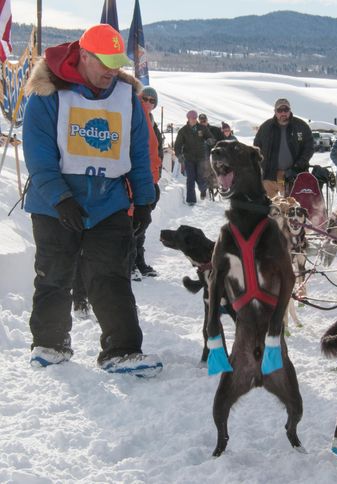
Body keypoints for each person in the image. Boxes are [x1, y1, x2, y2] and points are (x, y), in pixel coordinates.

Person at [22, 24, 162, 376]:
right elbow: (38, 154)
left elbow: (138, 154)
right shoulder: (47, 93)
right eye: (104, 62)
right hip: (54, 204)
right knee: (55, 274)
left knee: (111, 276)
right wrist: (60, 197)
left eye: (117, 63)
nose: (112, 71)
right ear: (84, 55)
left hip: (107, 202)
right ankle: (50, 344)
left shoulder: (125, 96)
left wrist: (143, 200)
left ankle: (123, 350)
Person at [131, 85, 163, 279]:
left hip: (150, 180)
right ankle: (130, 264)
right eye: (146, 98)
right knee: (134, 225)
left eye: (153, 100)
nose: (149, 103)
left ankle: (138, 262)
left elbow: (155, 152)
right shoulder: (137, 117)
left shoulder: (151, 121)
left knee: (141, 225)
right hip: (138, 180)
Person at [253, 98, 314, 198]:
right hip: (269, 175)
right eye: (280, 110)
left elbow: (309, 147)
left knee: (292, 208)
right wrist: (261, 166)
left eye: (286, 110)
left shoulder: (301, 126)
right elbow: (256, 149)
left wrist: (298, 165)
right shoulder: (266, 127)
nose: (283, 113)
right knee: (269, 208)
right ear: (275, 112)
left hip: (293, 175)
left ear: (290, 111)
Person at [174, 110, 212, 205]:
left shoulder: (202, 128)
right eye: (192, 118)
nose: (194, 120)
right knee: (190, 178)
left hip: (201, 157)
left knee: (200, 178)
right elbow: (177, 145)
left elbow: (209, 137)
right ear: (188, 118)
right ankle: (191, 200)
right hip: (189, 158)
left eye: (195, 118)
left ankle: (203, 190)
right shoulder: (183, 131)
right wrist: (179, 154)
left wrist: (210, 140)